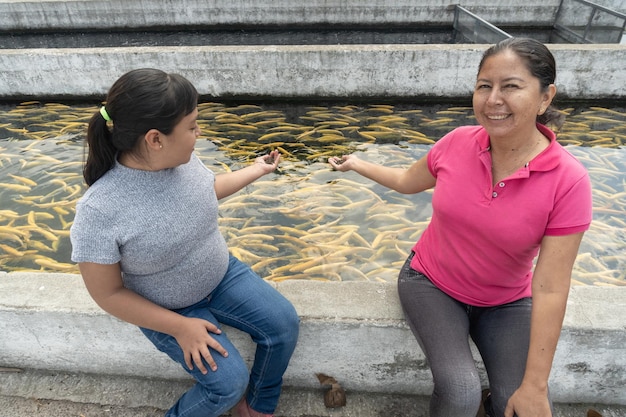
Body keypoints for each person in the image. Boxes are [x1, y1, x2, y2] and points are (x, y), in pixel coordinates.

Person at [329, 37, 592, 417]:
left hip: (507, 301)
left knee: (517, 401)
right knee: (461, 392)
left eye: (511, 86)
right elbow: (406, 181)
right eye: (484, 86)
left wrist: (534, 385)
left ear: (545, 97)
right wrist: (356, 164)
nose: (492, 100)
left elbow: (550, 287)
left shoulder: (569, 180)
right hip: (431, 283)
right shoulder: (456, 143)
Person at [70, 68, 299, 417]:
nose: (199, 133)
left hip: (222, 275)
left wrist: (255, 170)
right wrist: (179, 327)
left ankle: (256, 408)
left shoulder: (184, 161)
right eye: (192, 127)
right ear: (155, 139)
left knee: (283, 324)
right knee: (228, 384)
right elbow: (107, 294)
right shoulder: (99, 210)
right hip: (169, 308)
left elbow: (204, 193)